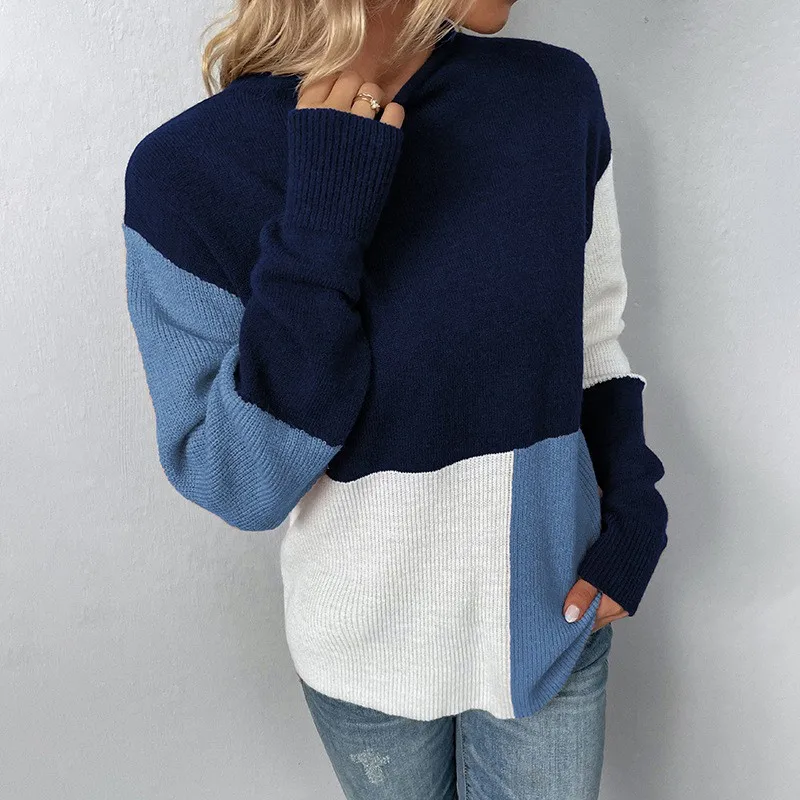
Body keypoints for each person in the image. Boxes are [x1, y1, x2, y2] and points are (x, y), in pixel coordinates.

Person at [121, 0, 669, 797]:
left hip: (553, 613)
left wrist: (633, 503)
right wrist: (319, 233)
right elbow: (239, 486)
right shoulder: (190, 172)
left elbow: (589, 338)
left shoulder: (554, 98)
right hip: (364, 649)